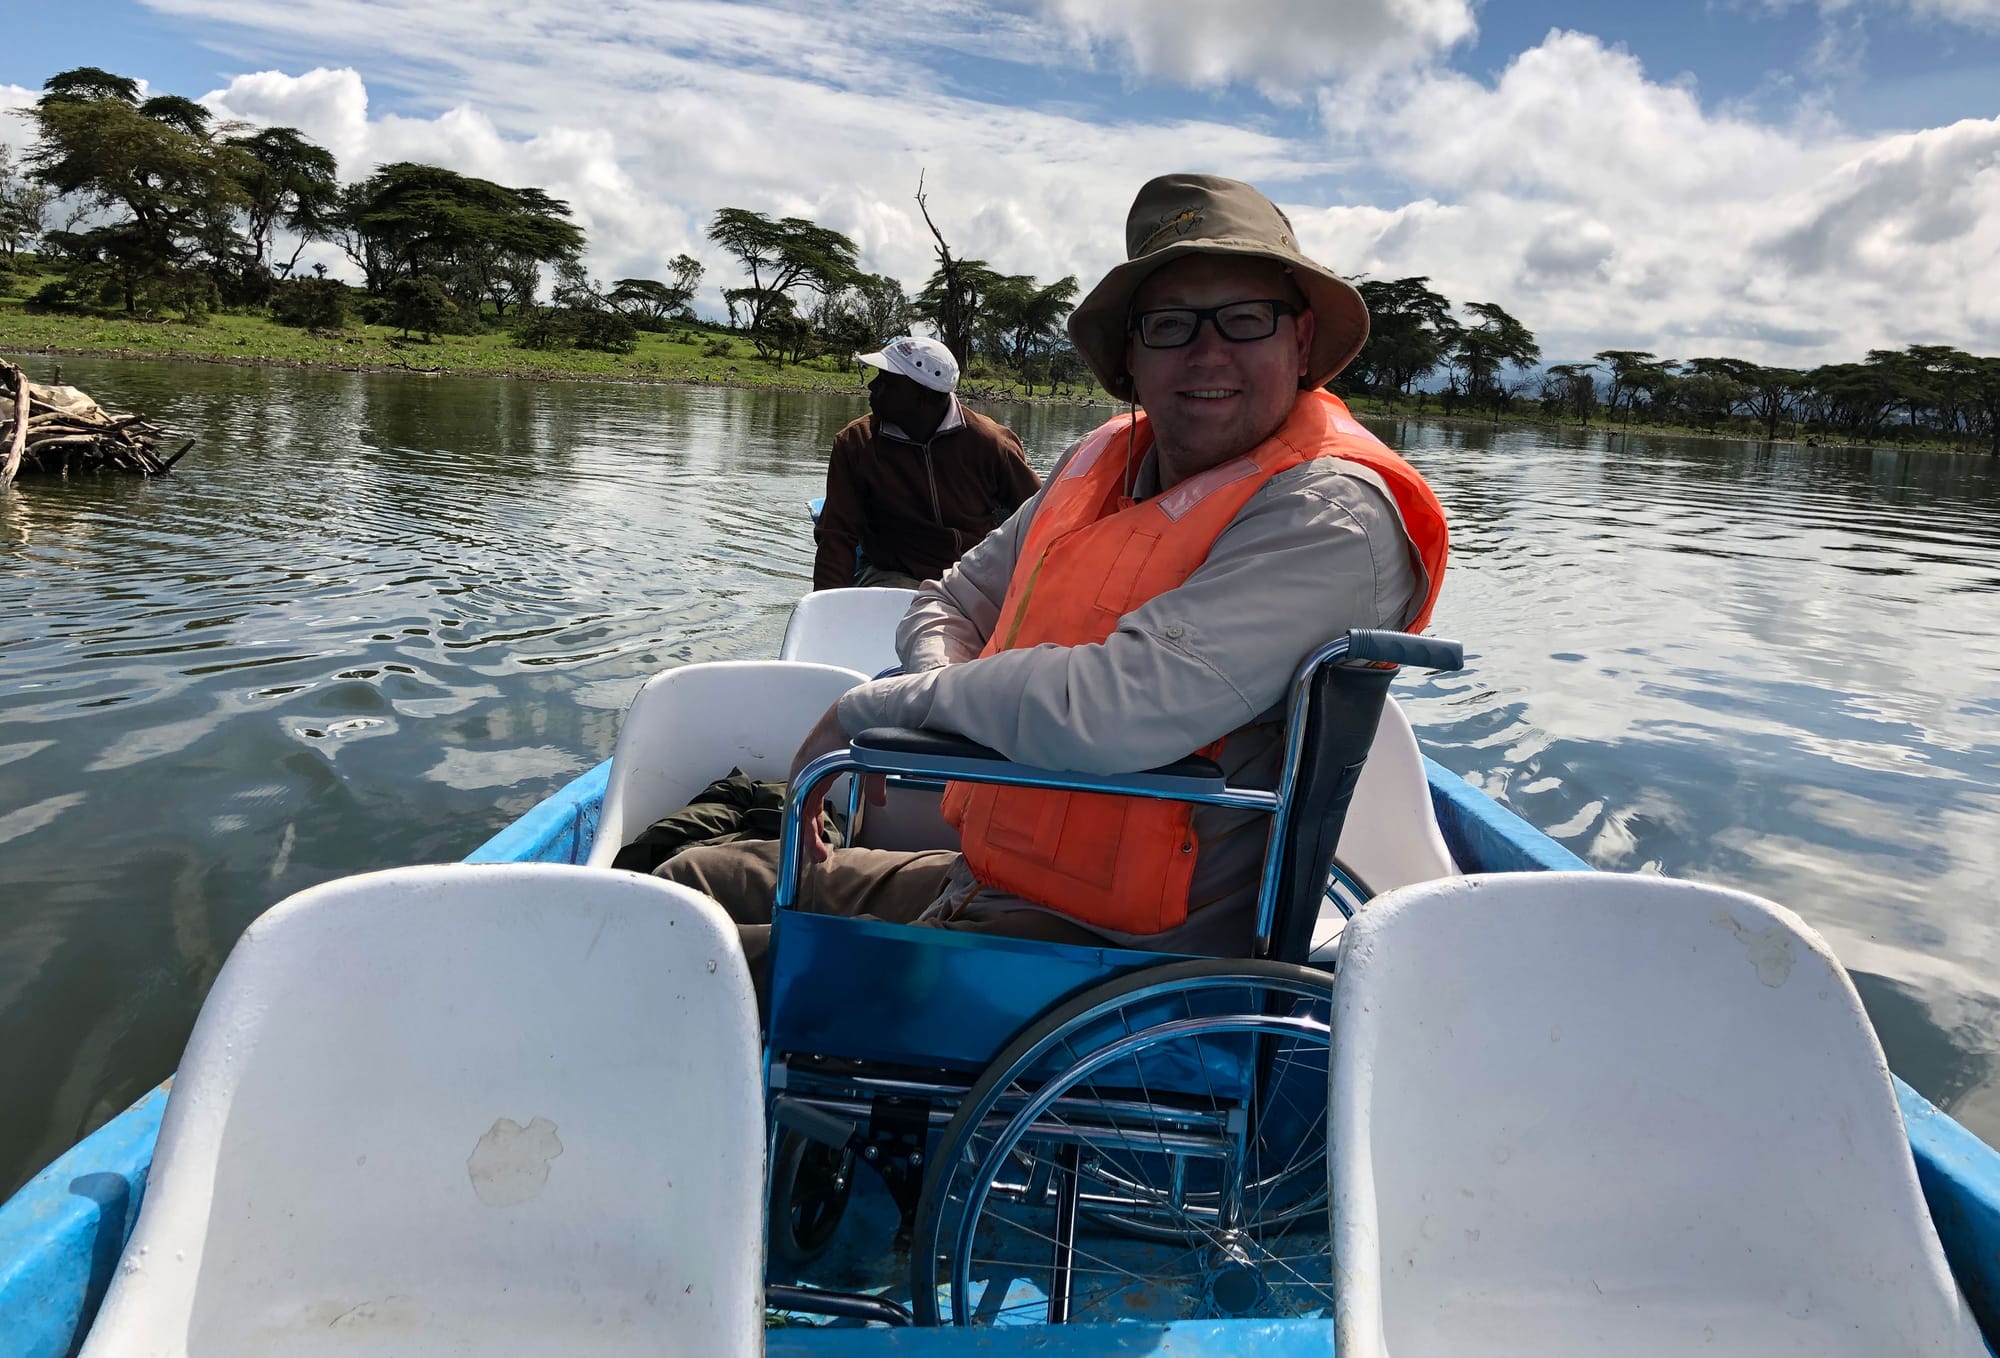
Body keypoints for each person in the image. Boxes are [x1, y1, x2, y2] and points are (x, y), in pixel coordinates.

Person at [660, 173, 1450, 987]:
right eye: (1171, 325)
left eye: (1246, 320)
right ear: (1130, 356)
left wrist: (881, 704)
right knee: (686, 887)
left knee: (665, 957)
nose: (1209, 354)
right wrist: (942, 691)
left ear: (1301, 338)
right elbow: (950, 599)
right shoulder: (1100, 457)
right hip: (987, 882)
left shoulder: (1332, 513)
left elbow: (1108, 710)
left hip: (1113, 967)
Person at [812, 335, 1040, 590]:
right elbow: (837, 537)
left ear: (921, 395)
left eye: (887, 381)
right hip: (894, 575)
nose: (873, 386)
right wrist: (825, 612)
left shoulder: (990, 442)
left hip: (972, 575)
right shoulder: (856, 443)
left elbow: (1040, 517)